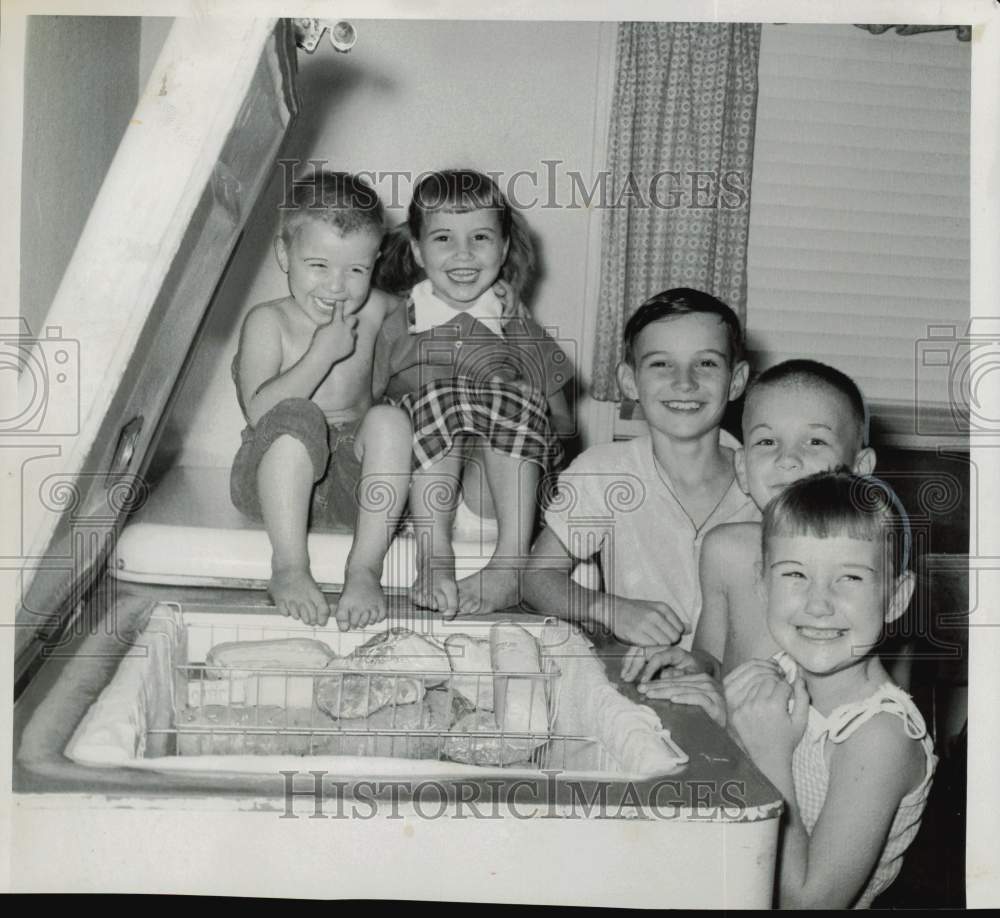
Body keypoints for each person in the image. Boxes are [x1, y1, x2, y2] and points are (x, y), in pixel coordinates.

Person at [724, 470, 936, 908]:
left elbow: (808, 903)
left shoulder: (879, 736)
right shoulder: (780, 669)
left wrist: (768, 755)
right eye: (795, 574)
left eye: (851, 579)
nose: (818, 604)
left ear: (896, 598)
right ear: (762, 586)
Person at [373, 169, 574, 617]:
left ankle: (509, 567)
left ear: (502, 249)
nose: (463, 253)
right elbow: (367, 417)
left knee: (503, 397)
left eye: (480, 237)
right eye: (443, 238)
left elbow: (560, 424)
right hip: (420, 505)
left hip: (499, 501)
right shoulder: (397, 325)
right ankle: (434, 560)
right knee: (433, 399)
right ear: (418, 251)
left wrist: (504, 405)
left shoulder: (518, 327)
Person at [624, 360, 877, 707]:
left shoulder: (864, 562)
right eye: (768, 441)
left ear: (860, 470)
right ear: (742, 468)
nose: (787, 459)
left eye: (815, 441)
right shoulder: (725, 549)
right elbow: (712, 657)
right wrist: (693, 666)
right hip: (737, 739)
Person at [230, 171, 412, 629]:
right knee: (297, 414)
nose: (336, 287)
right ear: (283, 255)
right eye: (318, 265)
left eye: (356, 270)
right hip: (276, 479)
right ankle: (289, 566)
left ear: (374, 263)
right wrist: (320, 354)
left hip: (353, 484)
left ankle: (365, 567)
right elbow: (259, 411)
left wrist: (495, 298)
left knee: (390, 421)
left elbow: (431, 304)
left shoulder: (374, 307)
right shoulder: (267, 322)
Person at [523, 287, 755, 646]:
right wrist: (607, 607)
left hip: (750, 685)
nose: (685, 382)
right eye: (661, 364)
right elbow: (537, 578)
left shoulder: (768, 477)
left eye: (706, 363)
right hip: (648, 684)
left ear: (736, 380)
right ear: (630, 382)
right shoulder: (604, 473)